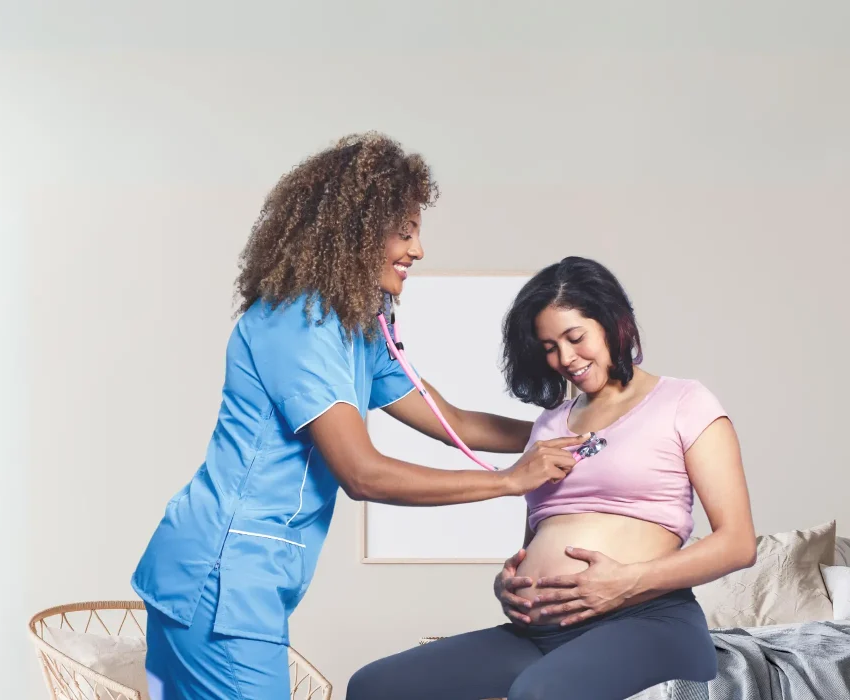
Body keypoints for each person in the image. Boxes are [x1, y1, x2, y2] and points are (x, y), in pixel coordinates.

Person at [130, 134, 590, 700]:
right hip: (218, 582)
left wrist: (572, 426)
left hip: (241, 584)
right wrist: (510, 482)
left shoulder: (358, 331)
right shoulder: (299, 323)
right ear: (355, 231)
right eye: (405, 231)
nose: (418, 250)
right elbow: (361, 473)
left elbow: (454, 423)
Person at [347, 256, 757, 700]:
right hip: (542, 637)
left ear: (612, 322)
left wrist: (627, 581)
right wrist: (512, 581)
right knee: (375, 686)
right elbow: (537, 537)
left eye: (575, 338)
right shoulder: (549, 424)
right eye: (548, 347)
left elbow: (738, 543)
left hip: (648, 620)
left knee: (538, 694)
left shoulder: (684, 402)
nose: (565, 358)